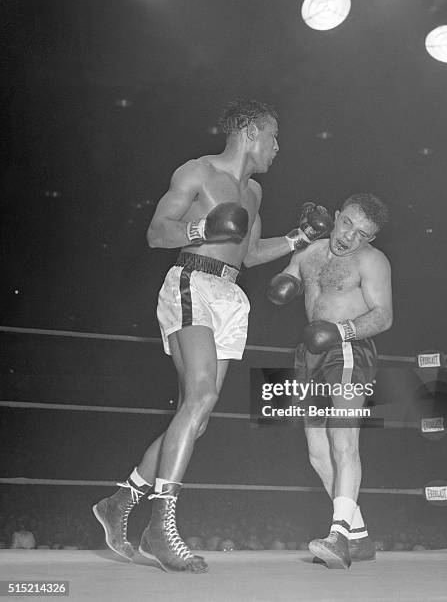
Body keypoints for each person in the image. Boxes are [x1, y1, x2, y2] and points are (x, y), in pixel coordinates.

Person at [93, 99, 333, 573]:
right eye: (274, 136)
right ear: (249, 131)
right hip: (191, 281)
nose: (278, 147)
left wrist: (300, 239)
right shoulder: (197, 172)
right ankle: (161, 528)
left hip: (230, 295)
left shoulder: (255, 194)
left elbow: (246, 254)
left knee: (196, 416)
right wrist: (203, 227)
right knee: (199, 397)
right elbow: (157, 232)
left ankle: (120, 502)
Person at [268, 193, 392, 569]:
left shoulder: (372, 261)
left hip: (349, 348)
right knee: (318, 452)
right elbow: (284, 284)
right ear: (337, 217)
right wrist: (283, 283)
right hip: (309, 352)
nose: (350, 237)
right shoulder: (309, 254)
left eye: (362, 234)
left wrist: (341, 331)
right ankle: (359, 536)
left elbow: (383, 316)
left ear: (370, 239)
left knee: (343, 438)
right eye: (347, 224)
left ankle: (338, 535)